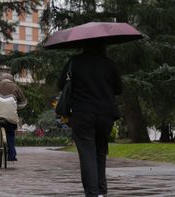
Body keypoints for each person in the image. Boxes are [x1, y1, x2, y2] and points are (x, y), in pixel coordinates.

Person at [58, 41, 122, 197]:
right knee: (100, 151)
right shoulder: (109, 64)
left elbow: (61, 84)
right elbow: (119, 89)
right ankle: (101, 191)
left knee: (87, 152)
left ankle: (92, 193)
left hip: (82, 113)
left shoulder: (74, 62)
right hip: (106, 114)